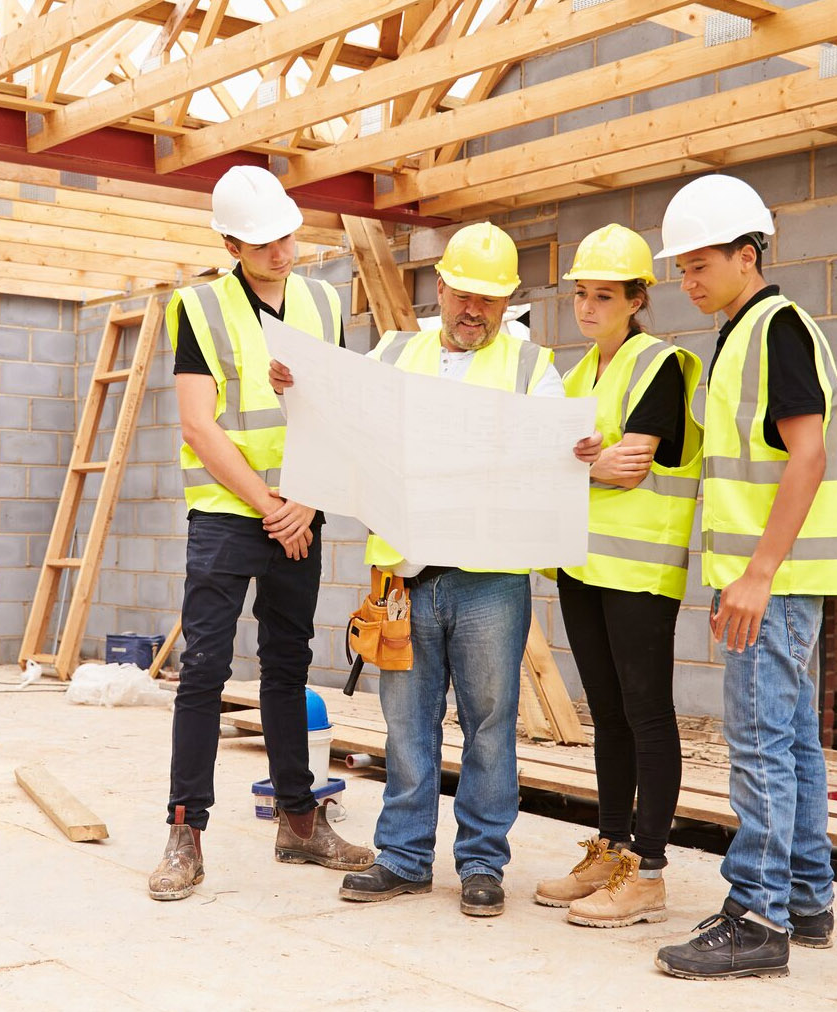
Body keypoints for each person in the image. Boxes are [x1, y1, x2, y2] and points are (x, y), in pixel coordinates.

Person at [272, 222, 563, 917]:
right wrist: (297, 394)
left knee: (490, 724)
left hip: (489, 578)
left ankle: (480, 865)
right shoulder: (394, 353)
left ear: (506, 303)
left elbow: (554, 449)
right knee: (406, 725)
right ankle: (402, 858)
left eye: (489, 302)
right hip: (403, 578)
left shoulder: (531, 369)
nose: (474, 312)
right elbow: (343, 426)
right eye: (464, 296)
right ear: (441, 289)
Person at [651, 175, 837, 978]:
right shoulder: (743, 332)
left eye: (699, 263)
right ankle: (805, 900)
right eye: (680, 268)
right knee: (789, 744)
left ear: (747, 256)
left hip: (770, 581)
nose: (687, 280)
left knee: (758, 748)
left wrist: (756, 574)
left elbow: (804, 454)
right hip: (769, 577)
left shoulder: (775, 328)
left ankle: (755, 917)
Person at [148, 165, 373, 902]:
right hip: (227, 512)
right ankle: (186, 832)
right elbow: (196, 422)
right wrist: (269, 503)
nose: (281, 251)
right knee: (206, 670)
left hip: (297, 512)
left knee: (287, 665)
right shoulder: (198, 307)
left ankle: (299, 824)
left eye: (286, 234)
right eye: (262, 243)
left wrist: (303, 504)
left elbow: (338, 408)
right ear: (229, 243)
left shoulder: (321, 299)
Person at [532, 224, 703, 928]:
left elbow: (629, 465)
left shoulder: (659, 364)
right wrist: (580, 462)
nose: (588, 307)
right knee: (605, 715)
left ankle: (649, 873)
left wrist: (576, 462)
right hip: (582, 564)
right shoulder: (578, 375)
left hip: (638, 571)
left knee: (646, 714)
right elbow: (557, 462)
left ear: (637, 299)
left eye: (604, 295)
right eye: (580, 294)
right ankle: (609, 848)